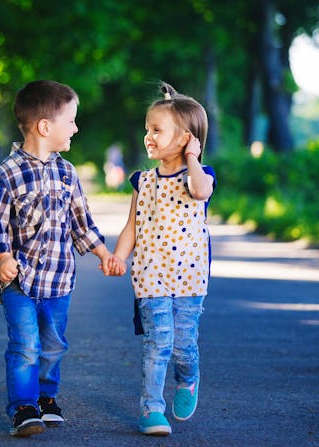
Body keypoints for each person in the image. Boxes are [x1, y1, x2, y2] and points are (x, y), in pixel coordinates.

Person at [0, 80, 113, 437]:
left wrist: (102, 252)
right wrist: (3, 256)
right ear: (45, 127)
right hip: (19, 281)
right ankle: (23, 407)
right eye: (70, 120)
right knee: (25, 344)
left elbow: (81, 222)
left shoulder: (68, 173)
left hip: (58, 280)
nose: (75, 127)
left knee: (53, 345)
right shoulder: (6, 174)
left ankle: (46, 397)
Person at [106, 81, 217, 436]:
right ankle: (152, 409)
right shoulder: (143, 181)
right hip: (150, 276)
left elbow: (200, 192)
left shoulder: (200, 176)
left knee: (184, 345)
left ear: (185, 138)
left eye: (156, 130)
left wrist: (192, 158)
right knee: (158, 343)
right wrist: (118, 257)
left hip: (189, 279)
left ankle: (189, 378)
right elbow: (132, 227)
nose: (148, 137)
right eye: (147, 129)